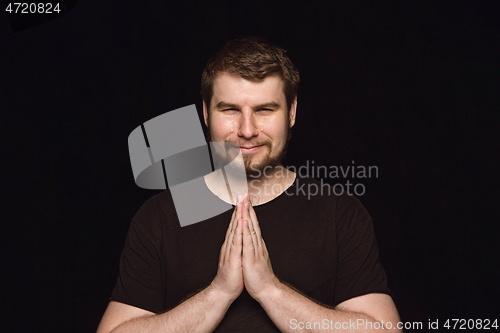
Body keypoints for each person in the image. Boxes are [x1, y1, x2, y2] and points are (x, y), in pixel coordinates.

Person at [97, 36, 402, 332]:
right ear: (205, 113)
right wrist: (217, 294)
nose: (246, 129)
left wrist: (271, 291)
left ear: (292, 112)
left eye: (264, 110)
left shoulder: (341, 214)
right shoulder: (160, 218)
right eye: (230, 110)